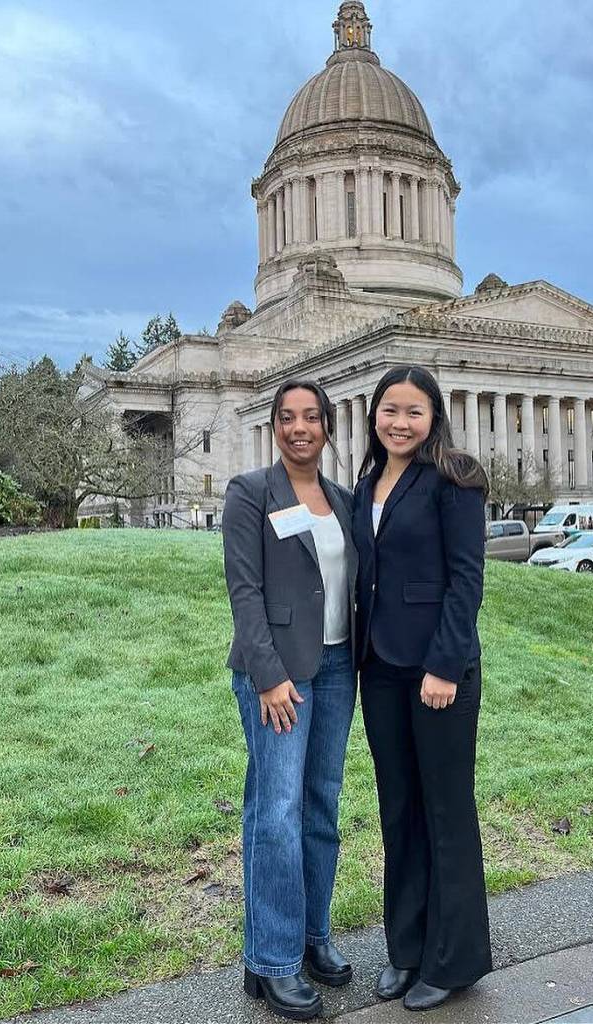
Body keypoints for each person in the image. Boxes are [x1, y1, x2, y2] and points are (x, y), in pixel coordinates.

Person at [352, 365, 493, 1013]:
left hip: (438, 670)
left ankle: (452, 960)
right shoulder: (365, 481)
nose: (399, 422)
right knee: (397, 811)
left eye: (412, 411)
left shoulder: (455, 478)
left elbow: (465, 581)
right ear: (374, 415)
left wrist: (444, 664)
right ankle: (405, 949)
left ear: (433, 416)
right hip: (378, 667)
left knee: (445, 812)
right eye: (389, 410)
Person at [222, 379, 358, 1022]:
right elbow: (245, 592)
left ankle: (311, 938)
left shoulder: (343, 500)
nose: (299, 427)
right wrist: (269, 676)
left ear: (328, 426)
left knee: (321, 807)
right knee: (274, 810)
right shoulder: (251, 493)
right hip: (277, 675)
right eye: (287, 417)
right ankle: (271, 961)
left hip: (337, 668)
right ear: (274, 426)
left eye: (311, 417)